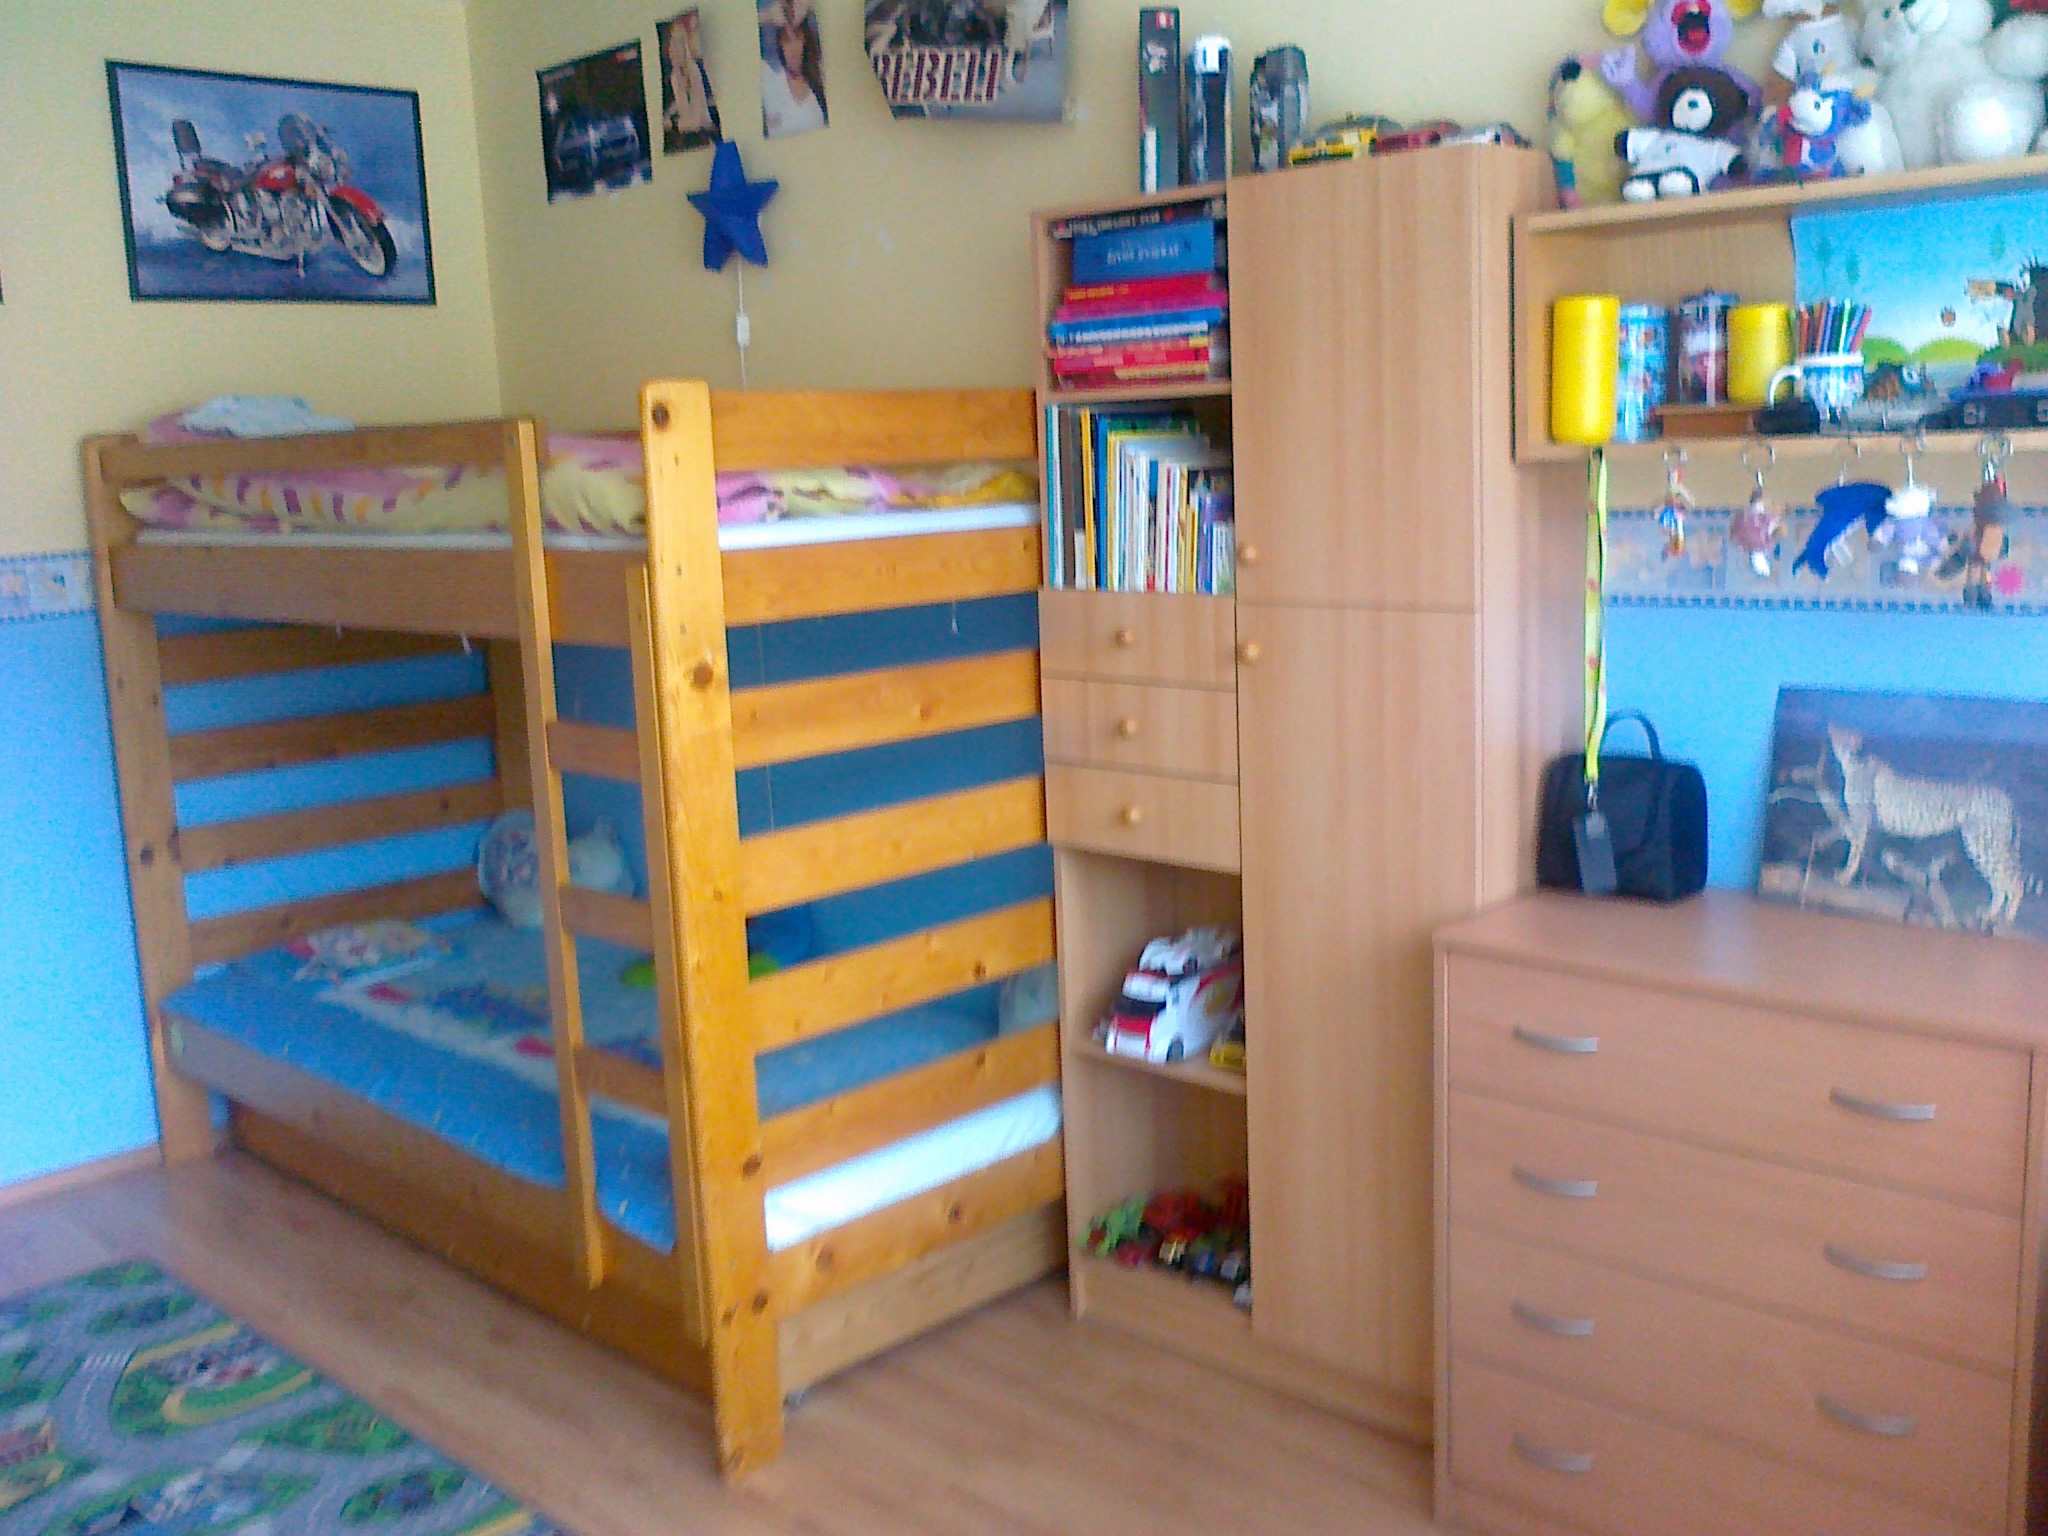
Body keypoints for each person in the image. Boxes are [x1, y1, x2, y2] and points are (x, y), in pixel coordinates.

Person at [759, 1, 827, 138]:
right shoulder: (769, 77)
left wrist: (808, 6)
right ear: (779, 44)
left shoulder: (821, 77)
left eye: (798, 37)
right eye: (787, 40)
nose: (793, 48)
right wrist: (768, 15)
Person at [662, 10, 721, 150]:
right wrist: (669, 117)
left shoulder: (696, 70)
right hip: (688, 133)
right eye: (671, 44)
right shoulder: (674, 75)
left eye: (678, 43)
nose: (672, 50)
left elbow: (700, 102)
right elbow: (679, 102)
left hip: (700, 130)